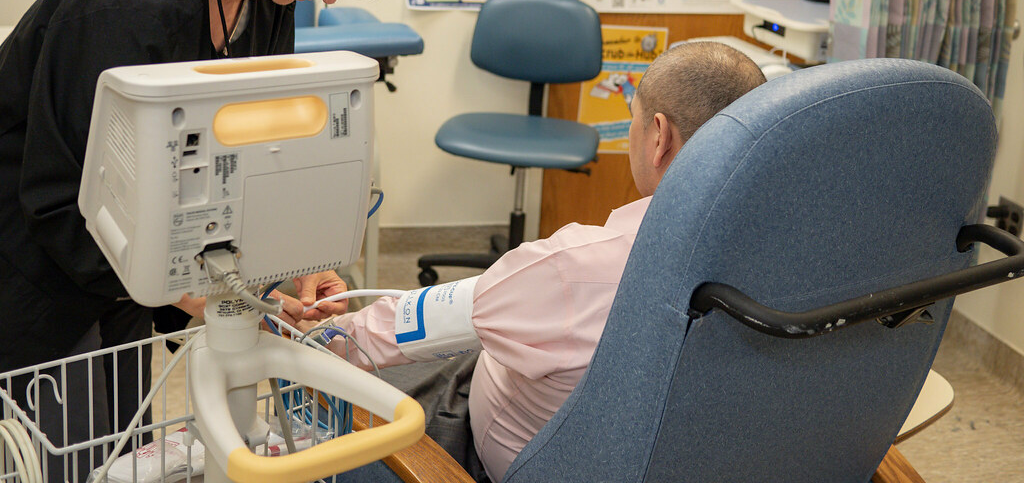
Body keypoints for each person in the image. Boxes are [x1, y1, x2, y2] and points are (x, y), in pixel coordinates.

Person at [0, 0, 405, 471]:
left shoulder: (267, 3)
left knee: (125, 444)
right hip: (34, 254)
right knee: (65, 451)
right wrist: (188, 288)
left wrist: (292, 265)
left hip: (128, 267)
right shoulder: (124, 13)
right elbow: (53, 198)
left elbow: (246, 163)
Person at [283, 41, 767, 483]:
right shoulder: (801, 272)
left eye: (634, 116)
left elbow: (401, 330)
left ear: (658, 137)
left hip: (487, 449)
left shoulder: (572, 269)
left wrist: (302, 336)